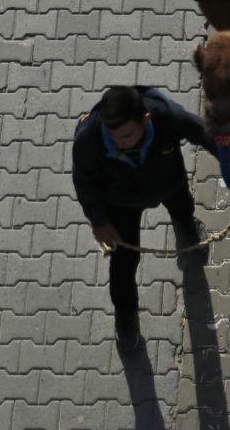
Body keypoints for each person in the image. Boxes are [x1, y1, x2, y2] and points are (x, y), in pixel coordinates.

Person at [72, 86, 214, 352]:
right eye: (113, 138)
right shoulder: (89, 137)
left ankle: (187, 234)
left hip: (169, 184)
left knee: (183, 210)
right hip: (120, 203)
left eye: (127, 135)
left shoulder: (167, 116)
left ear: (145, 119)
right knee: (124, 262)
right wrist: (99, 222)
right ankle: (126, 318)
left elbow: (206, 134)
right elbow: (84, 183)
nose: (120, 143)